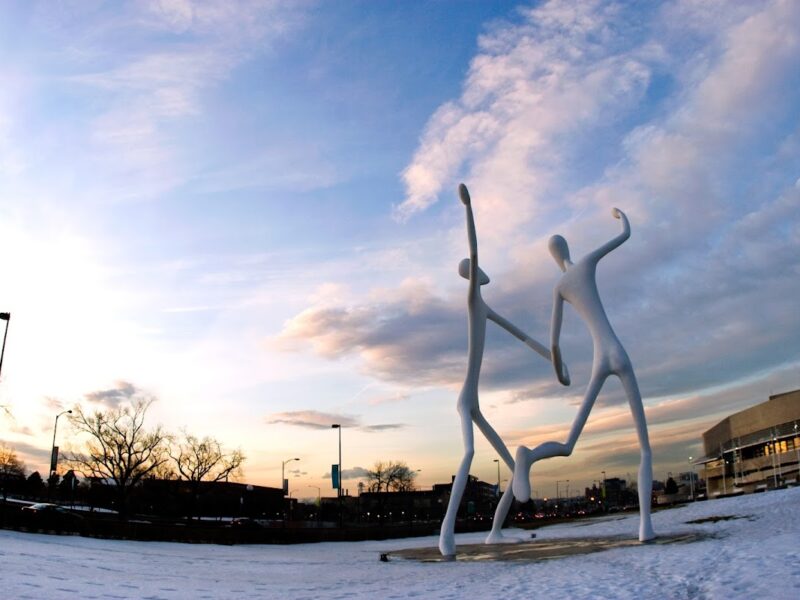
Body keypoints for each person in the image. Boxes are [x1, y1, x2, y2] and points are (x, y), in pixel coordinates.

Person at [511, 207, 655, 542]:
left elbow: (553, 341)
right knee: (645, 448)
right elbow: (625, 236)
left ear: (552, 257)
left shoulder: (559, 287)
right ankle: (645, 525)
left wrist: (559, 370)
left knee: (568, 444)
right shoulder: (587, 262)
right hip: (617, 353)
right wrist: (622, 217)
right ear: (568, 250)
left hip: (596, 360)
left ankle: (529, 455)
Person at [439, 184, 554, 557]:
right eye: (474, 271)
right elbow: (473, 248)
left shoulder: (486, 309)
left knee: (510, 464)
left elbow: (521, 335)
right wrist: (468, 208)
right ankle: (447, 534)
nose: (480, 273)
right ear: (470, 275)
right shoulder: (473, 299)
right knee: (469, 454)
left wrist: (550, 356)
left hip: (476, 401)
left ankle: (495, 532)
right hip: (465, 401)